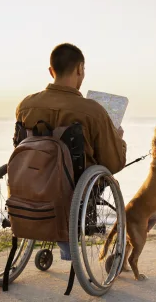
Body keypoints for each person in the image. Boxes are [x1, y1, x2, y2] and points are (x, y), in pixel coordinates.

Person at [15, 43, 127, 259]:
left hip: (30, 179)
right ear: (80, 69)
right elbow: (112, 163)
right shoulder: (92, 110)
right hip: (74, 187)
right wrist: (118, 140)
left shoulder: (25, 105)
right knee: (103, 175)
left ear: (51, 71)